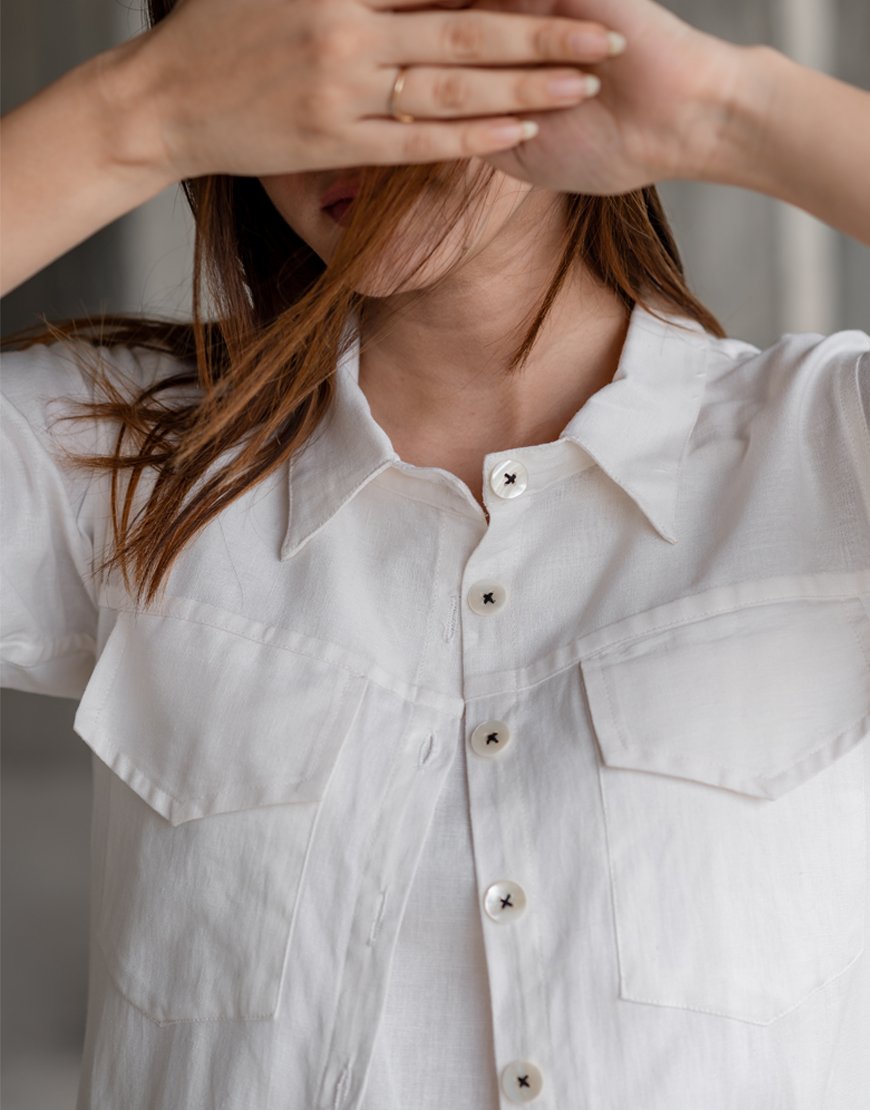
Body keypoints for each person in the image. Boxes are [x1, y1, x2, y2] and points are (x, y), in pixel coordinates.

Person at [1, 0, 869, 1106]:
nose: (343, 115)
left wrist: (723, 114)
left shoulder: (827, 454)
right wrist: (142, 110)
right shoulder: (123, 461)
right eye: (290, 61)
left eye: (398, 34)